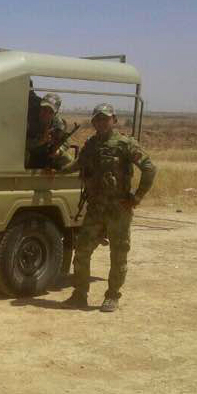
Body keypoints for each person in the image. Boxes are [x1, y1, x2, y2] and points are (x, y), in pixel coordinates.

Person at [56, 103, 156, 312]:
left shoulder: (125, 144)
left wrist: (137, 197)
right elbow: (78, 164)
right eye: (98, 119)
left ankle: (112, 296)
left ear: (114, 120)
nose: (101, 122)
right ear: (93, 122)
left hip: (118, 209)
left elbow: (149, 168)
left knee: (118, 254)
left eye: (105, 118)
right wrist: (58, 170)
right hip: (96, 208)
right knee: (82, 251)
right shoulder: (92, 144)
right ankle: (80, 294)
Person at [26, 94, 73, 170]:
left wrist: (58, 151)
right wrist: (40, 141)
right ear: (40, 108)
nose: (46, 114)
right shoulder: (29, 121)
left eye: (50, 112)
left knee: (67, 159)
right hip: (32, 154)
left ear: (55, 114)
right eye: (44, 109)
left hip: (48, 154)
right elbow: (22, 144)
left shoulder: (58, 124)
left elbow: (66, 141)